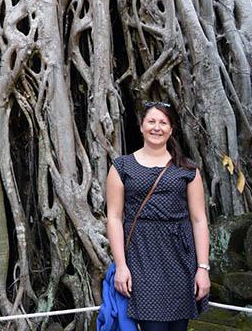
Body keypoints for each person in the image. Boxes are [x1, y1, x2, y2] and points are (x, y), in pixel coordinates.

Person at [106, 101, 211, 331]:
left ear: (171, 129)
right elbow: (114, 218)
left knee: (179, 327)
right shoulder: (122, 167)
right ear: (141, 126)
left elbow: (199, 220)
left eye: (163, 123)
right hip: (142, 257)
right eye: (151, 121)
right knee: (153, 326)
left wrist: (203, 268)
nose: (157, 127)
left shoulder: (187, 170)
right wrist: (121, 266)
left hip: (180, 259)